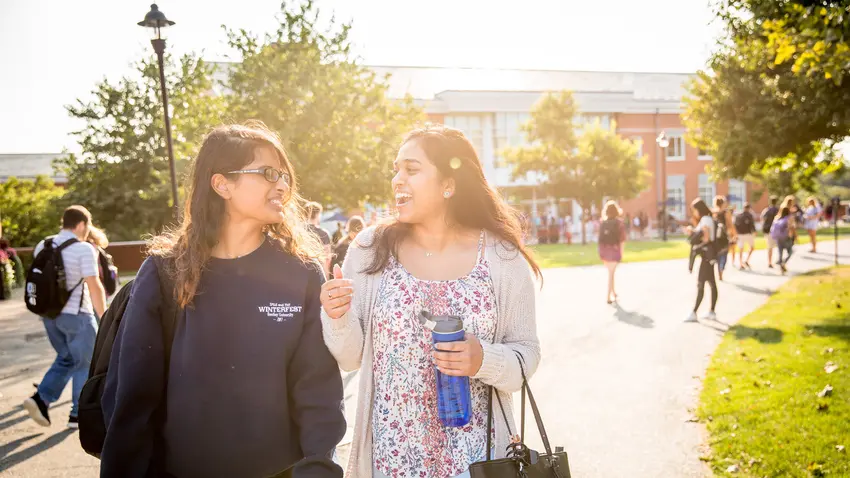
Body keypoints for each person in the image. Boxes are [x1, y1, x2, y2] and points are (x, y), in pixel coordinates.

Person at [100, 123, 345, 477]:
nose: (283, 185)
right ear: (222, 184)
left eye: (284, 176)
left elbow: (318, 392)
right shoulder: (165, 272)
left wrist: (319, 468)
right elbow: (131, 402)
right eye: (267, 173)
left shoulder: (302, 273)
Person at [320, 124, 542, 478]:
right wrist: (337, 315)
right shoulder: (368, 250)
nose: (397, 179)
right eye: (395, 169)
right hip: (391, 460)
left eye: (411, 169)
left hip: (477, 463)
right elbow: (349, 358)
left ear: (448, 185)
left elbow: (525, 357)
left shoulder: (502, 258)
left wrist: (483, 358)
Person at [24, 206, 106, 429]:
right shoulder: (83, 249)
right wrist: (104, 316)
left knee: (67, 358)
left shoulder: (44, 244)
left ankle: (41, 399)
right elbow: (94, 284)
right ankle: (78, 414)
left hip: (50, 316)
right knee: (85, 363)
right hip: (77, 315)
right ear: (81, 224)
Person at [686, 198, 718, 323]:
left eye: (694, 210)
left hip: (705, 256)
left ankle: (694, 312)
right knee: (711, 283)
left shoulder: (705, 220)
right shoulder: (709, 219)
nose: (694, 213)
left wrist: (695, 239)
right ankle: (712, 311)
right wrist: (694, 231)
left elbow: (706, 238)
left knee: (701, 284)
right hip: (710, 256)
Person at [598, 201, 627, 304]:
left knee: (611, 273)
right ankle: (608, 297)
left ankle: (613, 293)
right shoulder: (619, 223)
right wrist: (621, 253)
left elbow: (600, 239)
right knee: (611, 273)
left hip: (604, 250)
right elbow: (622, 240)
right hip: (614, 250)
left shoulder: (603, 223)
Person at [306, 201, 332, 276]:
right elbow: (327, 258)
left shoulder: (298, 232)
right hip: (319, 271)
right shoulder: (323, 233)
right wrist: (327, 277)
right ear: (318, 214)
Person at [713, 196, 736, 281]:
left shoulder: (713, 212)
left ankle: (719, 270)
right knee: (724, 254)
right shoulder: (726, 212)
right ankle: (721, 271)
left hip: (715, 237)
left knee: (718, 254)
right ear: (723, 203)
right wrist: (734, 235)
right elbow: (730, 224)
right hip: (724, 236)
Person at [771, 206, 796, 274]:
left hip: (778, 238)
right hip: (786, 238)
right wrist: (792, 237)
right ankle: (783, 263)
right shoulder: (788, 218)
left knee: (780, 253)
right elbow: (791, 228)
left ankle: (781, 268)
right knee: (790, 252)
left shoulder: (777, 218)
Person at [734, 203, 757, 270]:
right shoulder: (749, 215)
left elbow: (735, 225)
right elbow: (752, 224)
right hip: (747, 234)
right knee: (751, 247)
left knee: (741, 248)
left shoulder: (739, 215)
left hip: (740, 234)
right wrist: (754, 231)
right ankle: (745, 261)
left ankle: (741, 262)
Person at [760, 196, 780, 268]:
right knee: (778, 246)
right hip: (776, 231)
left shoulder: (766, 210)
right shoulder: (778, 210)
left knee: (770, 247)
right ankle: (777, 261)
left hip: (768, 230)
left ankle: (770, 262)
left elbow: (762, 219)